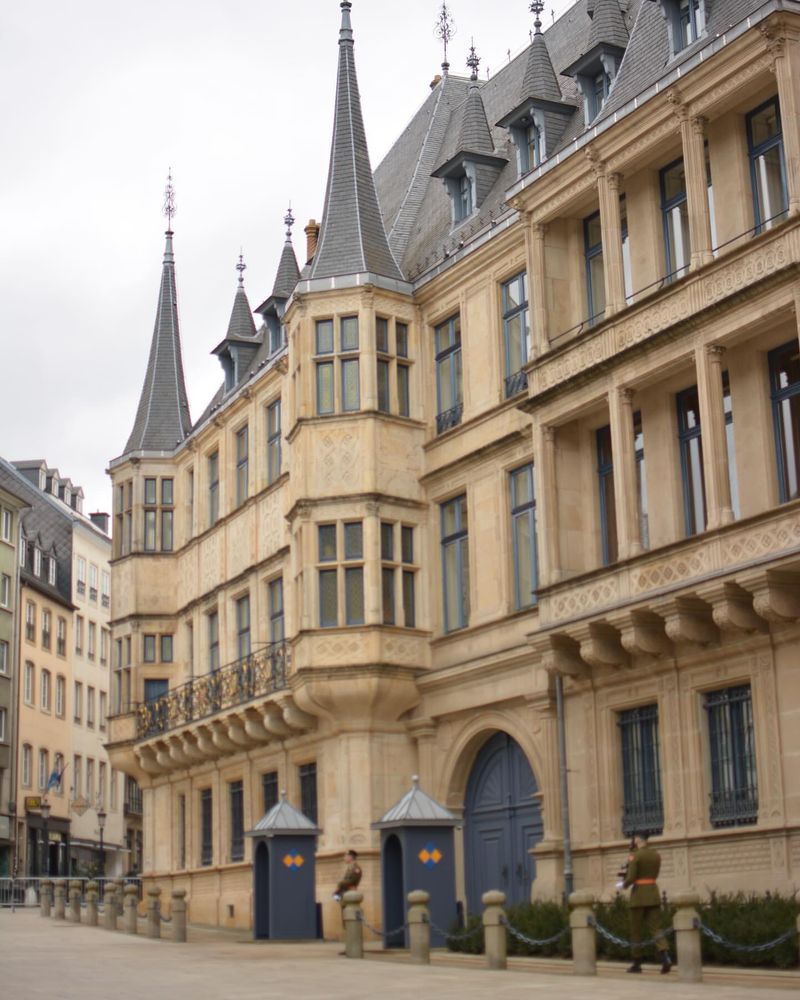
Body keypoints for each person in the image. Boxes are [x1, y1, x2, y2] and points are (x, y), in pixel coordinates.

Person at [623, 832, 671, 974]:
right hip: (653, 893)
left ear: (638, 839)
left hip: (638, 897)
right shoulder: (655, 854)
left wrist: (624, 884)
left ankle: (637, 963)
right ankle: (666, 958)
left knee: (636, 931)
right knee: (656, 928)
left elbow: (631, 877)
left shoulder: (635, 855)